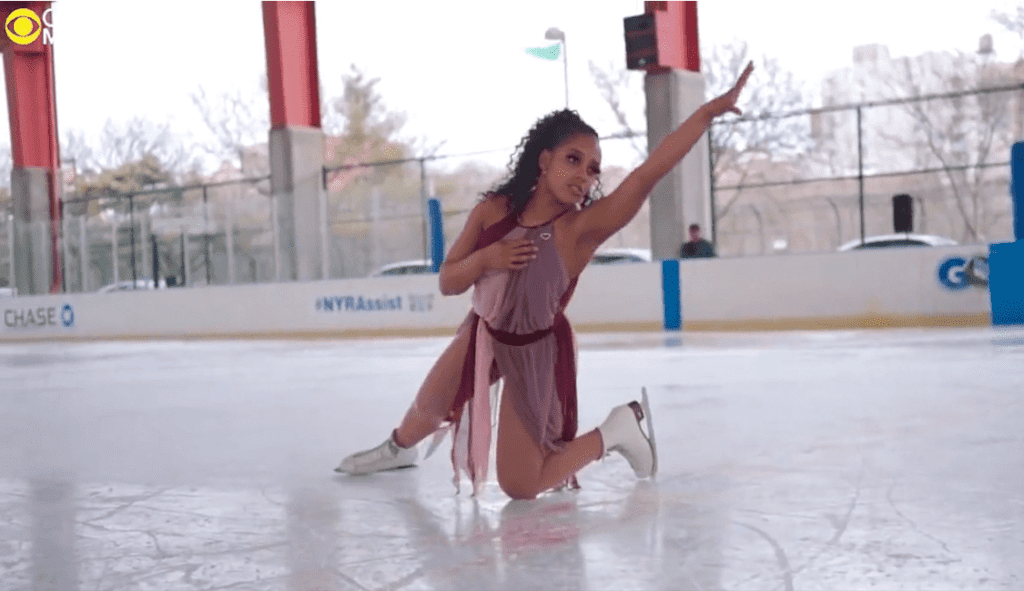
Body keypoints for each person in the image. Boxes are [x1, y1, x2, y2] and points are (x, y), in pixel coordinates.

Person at [336, 62, 754, 500]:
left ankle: (615, 431)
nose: (584, 176)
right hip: (483, 334)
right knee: (428, 408)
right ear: (544, 159)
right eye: (574, 160)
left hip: (534, 351)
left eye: (593, 169)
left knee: (521, 485)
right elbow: (448, 282)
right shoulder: (493, 210)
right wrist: (488, 258)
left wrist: (706, 113)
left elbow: (649, 172)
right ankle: (397, 449)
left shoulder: (582, 229)